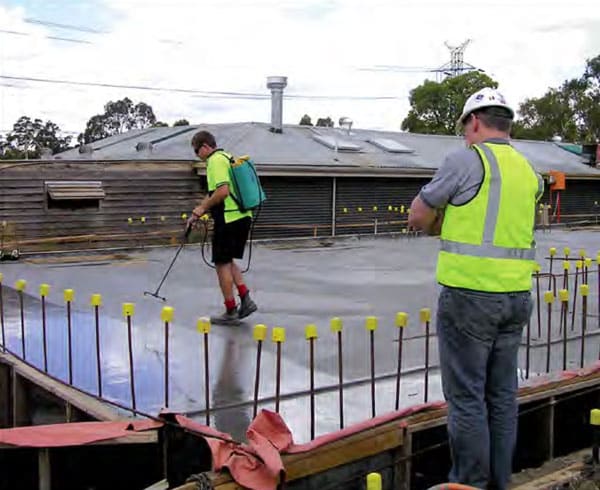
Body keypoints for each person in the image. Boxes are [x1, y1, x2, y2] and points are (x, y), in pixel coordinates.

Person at [408, 87, 543, 490]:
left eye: (465, 129)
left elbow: (418, 215)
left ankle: (469, 483)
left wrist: (439, 223)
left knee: (466, 398)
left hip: (469, 297)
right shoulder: (528, 171)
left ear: (476, 123)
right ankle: (499, 482)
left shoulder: (466, 158)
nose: (465, 136)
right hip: (517, 297)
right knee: (501, 397)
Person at [188, 130, 257, 325]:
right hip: (242, 216)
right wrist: (197, 212)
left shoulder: (215, 160)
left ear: (205, 147)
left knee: (221, 263)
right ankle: (246, 299)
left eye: (196, 151)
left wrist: (202, 208)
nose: (197, 156)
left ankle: (230, 309)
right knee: (227, 260)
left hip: (229, 218)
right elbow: (215, 192)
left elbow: (222, 192)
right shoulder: (227, 157)